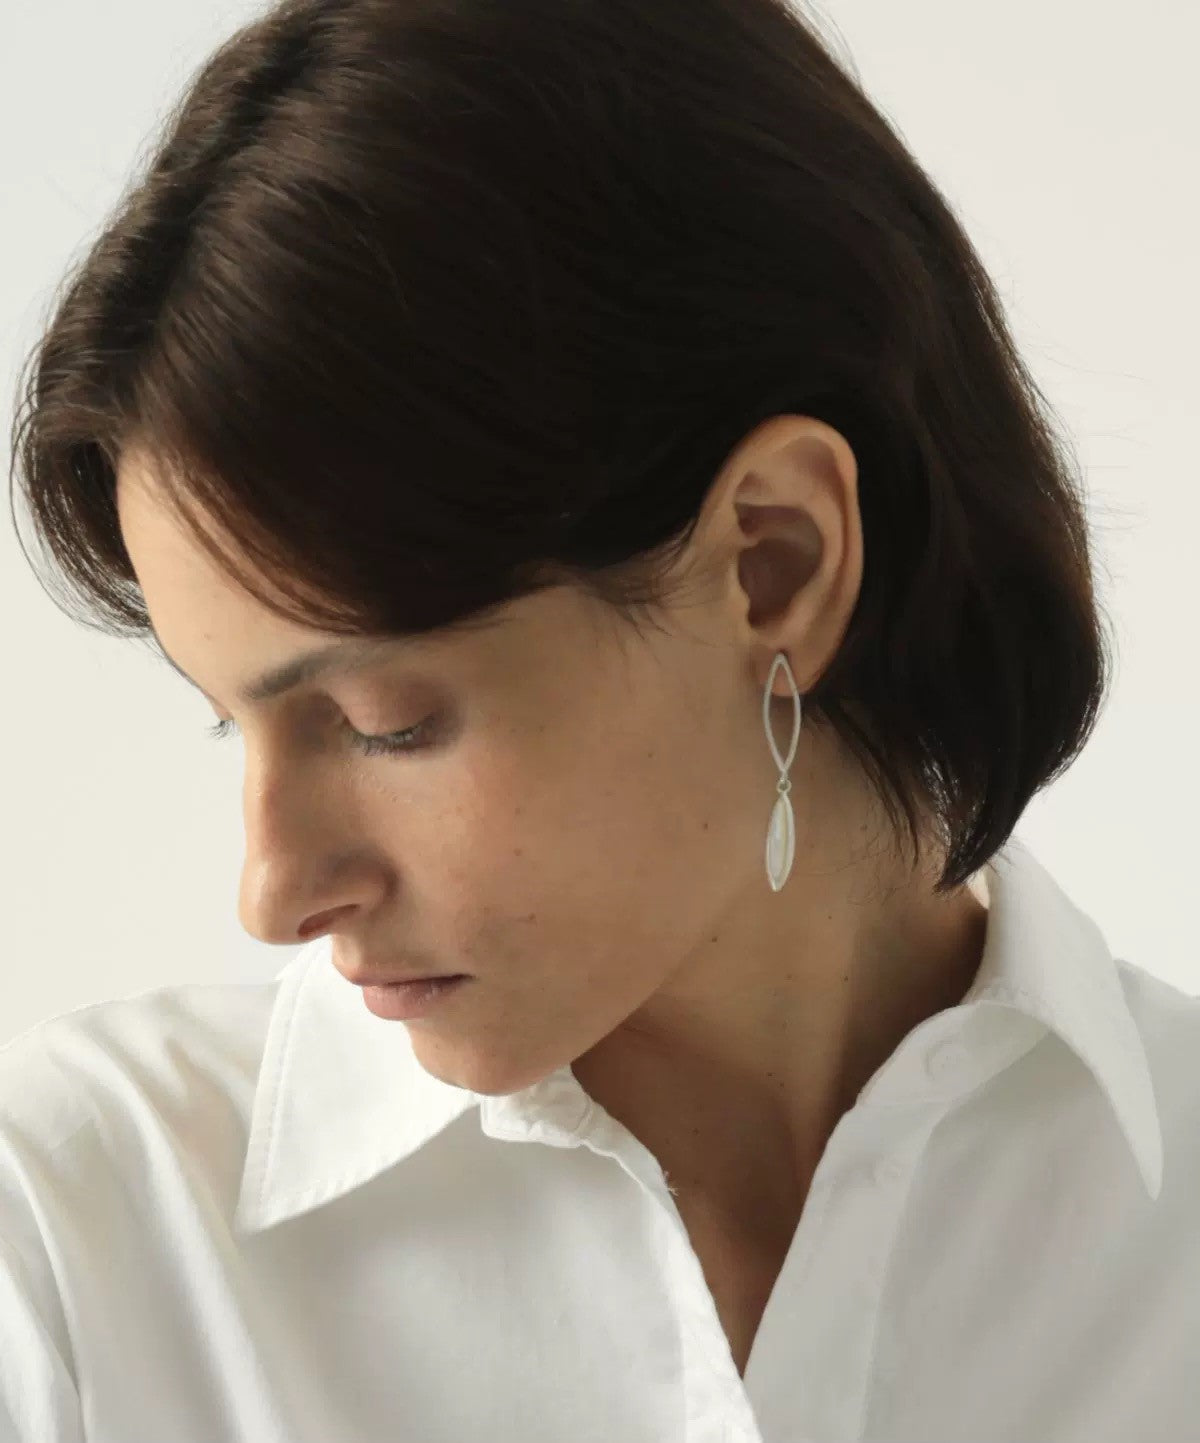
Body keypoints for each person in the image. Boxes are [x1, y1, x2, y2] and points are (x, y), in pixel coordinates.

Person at [4, 0, 1198, 1439]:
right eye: (230, 725)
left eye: (384, 719)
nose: (272, 892)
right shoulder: (72, 1240)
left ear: (775, 561)